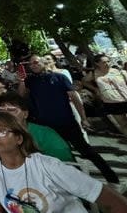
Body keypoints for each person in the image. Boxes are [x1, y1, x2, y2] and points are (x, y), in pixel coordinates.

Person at [19, 55, 119, 184]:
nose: (33, 65)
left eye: (36, 62)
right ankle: (76, 182)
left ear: (44, 63)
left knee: (86, 151)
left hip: (66, 121)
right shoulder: (30, 81)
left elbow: (75, 98)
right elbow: (21, 96)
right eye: (31, 64)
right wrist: (21, 80)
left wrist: (83, 118)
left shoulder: (59, 77)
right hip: (47, 126)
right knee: (60, 154)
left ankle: (112, 178)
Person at [0, 91, 74, 162]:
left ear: (25, 114)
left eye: (12, 110)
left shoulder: (45, 135)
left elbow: (65, 165)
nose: (6, 115)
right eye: (1, 111)